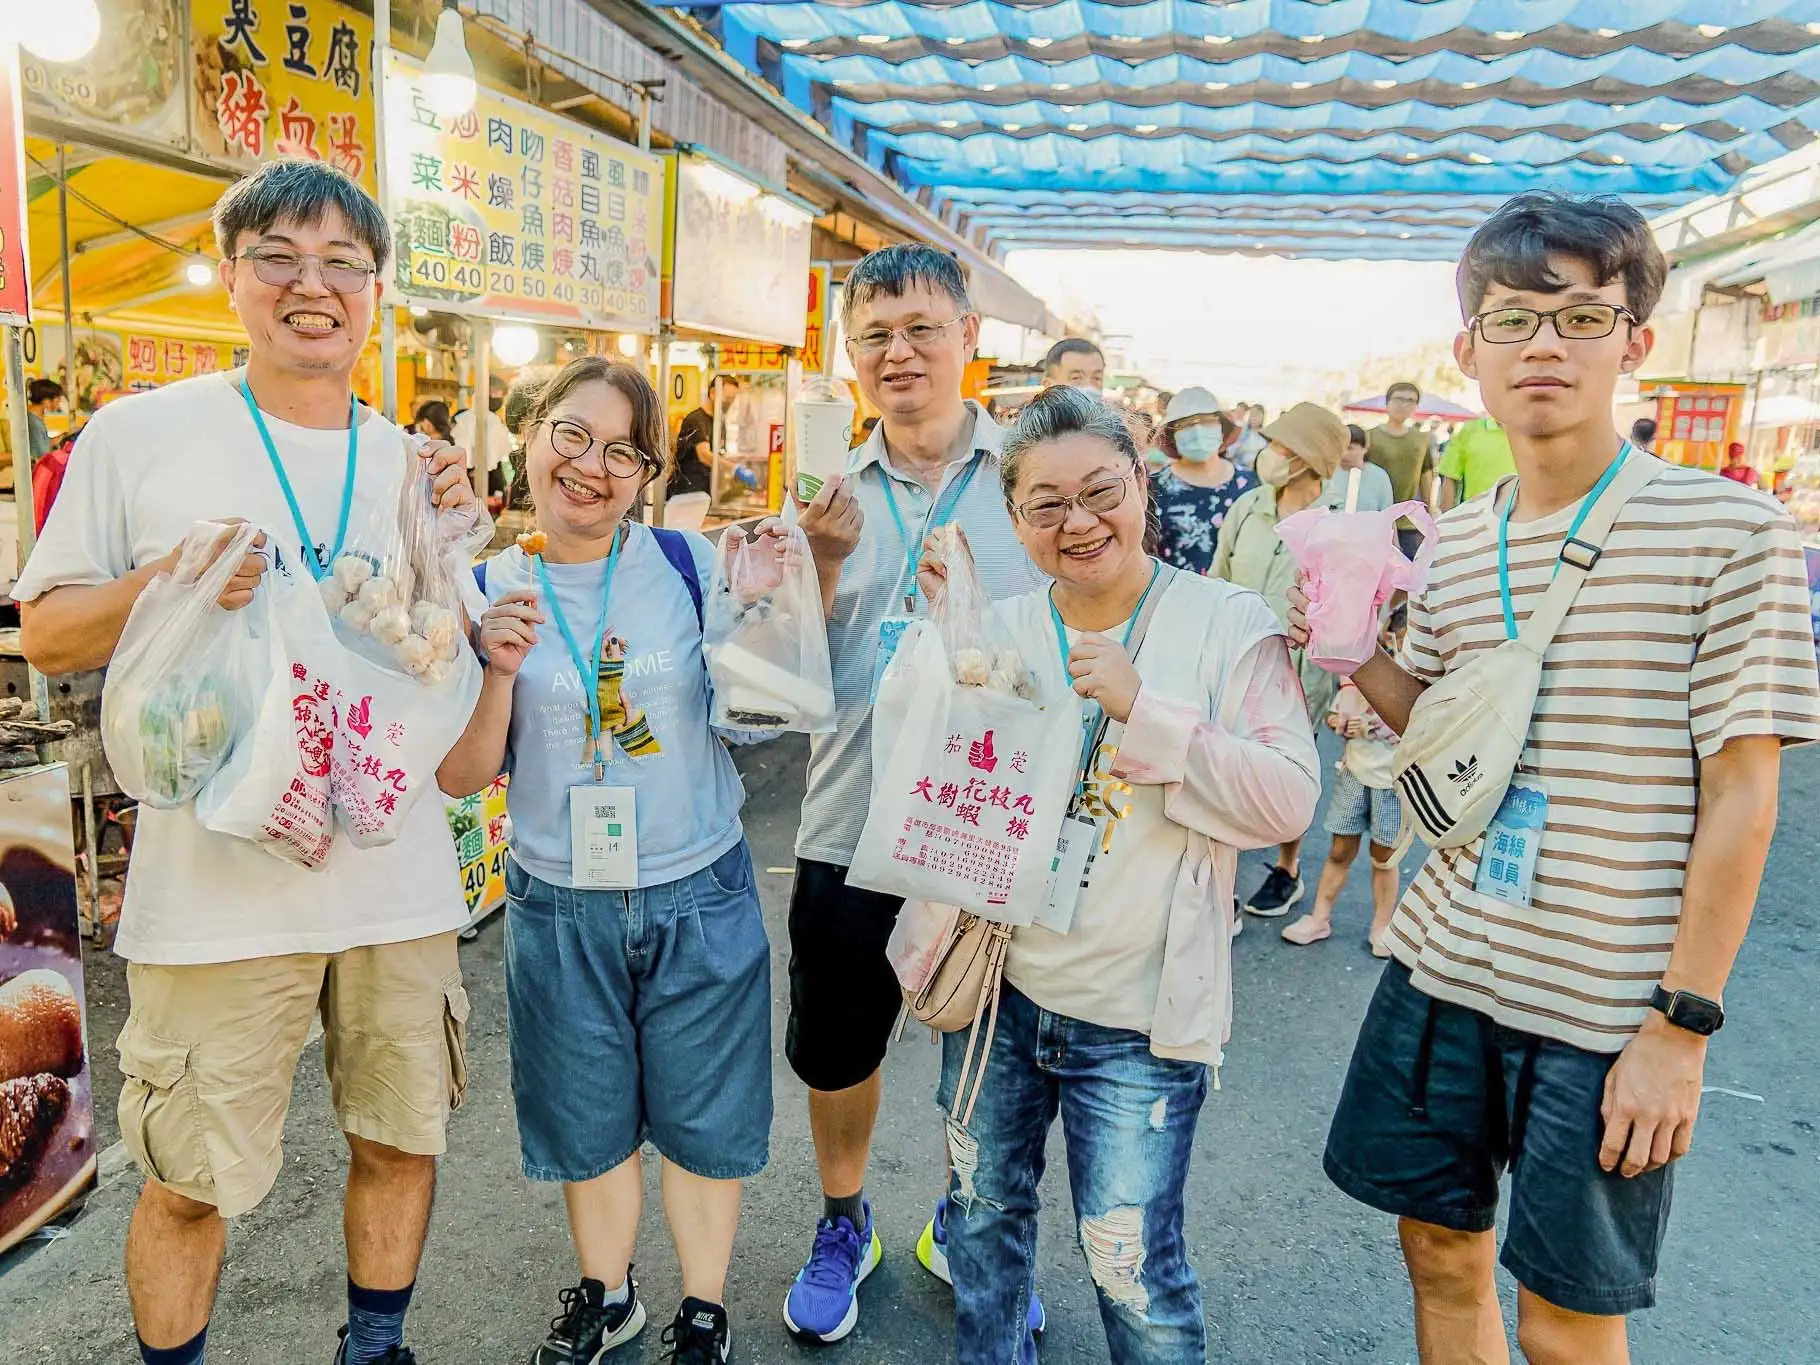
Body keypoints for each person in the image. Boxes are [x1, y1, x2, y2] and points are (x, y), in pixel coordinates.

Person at [1304, 191, 1820, 1365]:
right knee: (1435, 1256)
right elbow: (1437, 735)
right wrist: (1352, 651)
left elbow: (1744, 791)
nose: (1542, 345)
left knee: (1564, 1321)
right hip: (1444, 964)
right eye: (1511, 319)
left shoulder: (1729, 532)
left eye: (1579, 317)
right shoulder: (1450, 543)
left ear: (1633, 342)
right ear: (1466, 350)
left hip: (1603, 1002)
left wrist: (1678, 1027)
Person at [13, 159, 481, 1365]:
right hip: (212, 899)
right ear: (233, 278)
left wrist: (468, 554)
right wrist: (174, 577)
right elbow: (51, 631)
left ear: (377, 295)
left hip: (397, 883)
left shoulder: (414, 467)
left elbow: (445, 658)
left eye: (343, 265)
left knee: (401, 1136)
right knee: (188, 1181)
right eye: (278, 256)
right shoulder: (140, 435)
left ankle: (373, 1349)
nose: (310, 286)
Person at [915, 386, 1320, 1365]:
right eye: (1044, 505)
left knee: (1130, 1264)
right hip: (995, 999)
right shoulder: (996, 630)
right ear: (1014, 519)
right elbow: (933, 799)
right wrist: (939, 659)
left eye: (1100, 491)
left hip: (1139, 1014)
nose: (1078, 522)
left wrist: (1148, 713)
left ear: (1140, 485)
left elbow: (1286, 802)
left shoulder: (1227, 623)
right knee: (980, 1235)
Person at [439, 356, 772, 1365]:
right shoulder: (484, 585)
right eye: (570, 435)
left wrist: (783, 602)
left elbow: (761, 714)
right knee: (587, 1120)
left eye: (621, 452)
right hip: (555, 899)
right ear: (529, 436)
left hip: (698, 887)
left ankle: (703, 1311)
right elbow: (461, 774)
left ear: (646, 474)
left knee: (704, 1118)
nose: (590, 466)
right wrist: (494, 666)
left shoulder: (689, 565)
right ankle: (608, 1294)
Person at [780, 243, 1047, 1343]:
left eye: (920, 328)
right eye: (874, 334)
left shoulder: (1032, 477)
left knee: (985, 1057)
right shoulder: (822, 487)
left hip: (988, 826)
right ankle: (846, 1221)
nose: (898, 352)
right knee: (837, 1051)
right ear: (850, 353)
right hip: (847, 822)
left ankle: (964, 1223)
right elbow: (778, 684)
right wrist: (817, 567)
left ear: (968, 338)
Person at [1211, 402, 1348, 920]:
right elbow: (1219, 573)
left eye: (1283, 448)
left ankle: (1287, 869)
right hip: (1232, 661)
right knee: (1223, 768)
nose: (1270, 455)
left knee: (1287, 772)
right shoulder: (1250, 506)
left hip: (1298, 674)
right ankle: (1220, 883)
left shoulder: (1339, 524)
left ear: (1309, 459)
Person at [1280, 675, 1401, 955]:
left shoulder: (1410, 676)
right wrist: (1339, 721)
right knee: (1339, 850)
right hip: (1353, 774)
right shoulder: (1356, 680)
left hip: (1394, 782)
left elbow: (1419, 725)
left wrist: (1373, 726)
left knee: (1384, 857)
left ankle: (1383, 926)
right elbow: (1335, 713)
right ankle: (1319, 918)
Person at [1150, 386, 1257, 573]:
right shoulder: (1154, 487)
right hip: (1174, 596)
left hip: (1236, 598)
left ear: (1221, 427)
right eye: (1186, 424)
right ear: (1172, 435)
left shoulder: (1250, 485)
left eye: (1207, 421)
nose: (1198, 430)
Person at [1367, 382, 1435, 548]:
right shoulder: (1370, 436)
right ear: (1387, 402)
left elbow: (1426, 474)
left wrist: (1429, 511)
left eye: (1410, 400)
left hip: (1409, 521)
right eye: (1398, 399)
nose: (1404, 405)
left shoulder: (1421, 439)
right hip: (1375, 518)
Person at [671, 373, 739, 499]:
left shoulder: (719, 422)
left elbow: (718, 454)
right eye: (728, 398)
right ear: (712, 393)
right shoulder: (696, 420)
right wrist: (735, 469)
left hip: (705, 490)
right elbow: (704, 455)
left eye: (733, 399)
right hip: (686, 492)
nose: (730, 403)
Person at [454, 374, 515, 496]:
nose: (500, 398)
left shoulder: (463, 418)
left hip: (473, 479)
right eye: (499, 392)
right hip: (484, 482)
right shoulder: (488, 419)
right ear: (489, 391)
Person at [1437, 413, 1515, 508]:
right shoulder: (1470, 430)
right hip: (1476, 512)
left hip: (1521, 514)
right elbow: (1450, 475)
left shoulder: (1529, 431)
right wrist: (1448, 517)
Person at [1324, 423, 1395, 513]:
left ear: (1364, 448)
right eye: (1340, 448)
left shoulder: (1379, 476)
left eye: (1350, 448)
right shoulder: (1327, 474)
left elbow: (1387, 511)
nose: (1344, 454)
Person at [27, 378, 63, 459]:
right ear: (46, 401)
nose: (59, 404)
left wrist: (61, 437)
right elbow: (42, 453)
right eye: (57, 401)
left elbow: (42, 444)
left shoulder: (33, 417)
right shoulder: (34, 422)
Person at [1229, 401, 1268, 469]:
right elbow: (1231, 451)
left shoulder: (1266, 436)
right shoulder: (1242, 432)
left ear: (1262, 417)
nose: (1253, 418)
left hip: (1257, 470)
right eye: (1251, 414)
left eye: (1256, 415)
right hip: (1239, 468)